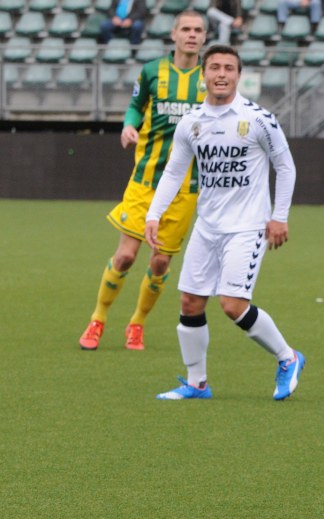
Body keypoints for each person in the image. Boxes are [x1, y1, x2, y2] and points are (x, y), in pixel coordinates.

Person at [144, 44, 304, 402]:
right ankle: (197, 383)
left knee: (231, 304)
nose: (221, 74)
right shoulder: (191, 122)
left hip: (248, 227)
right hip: (207, 225)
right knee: (190, 302)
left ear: (238, 75)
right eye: (214, 67)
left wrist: (279, 217)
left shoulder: (258, 118)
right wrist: (154, 213)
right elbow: (173, 172)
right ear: (203, 75)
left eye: (228, 68)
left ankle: (288, 357)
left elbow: (286, 166)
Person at [80, 11, 207, 351]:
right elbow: (135, 106)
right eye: (186, 29)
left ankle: (136, 323)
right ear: (174, 34)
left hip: (185, 187)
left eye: (198, 30)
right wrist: (128, 125)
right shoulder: (153, 71)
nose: (192, 35)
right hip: (146, 180)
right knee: (125, 256)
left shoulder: (210, 77)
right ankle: (98, 319)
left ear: (204, 37)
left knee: (161, 261)